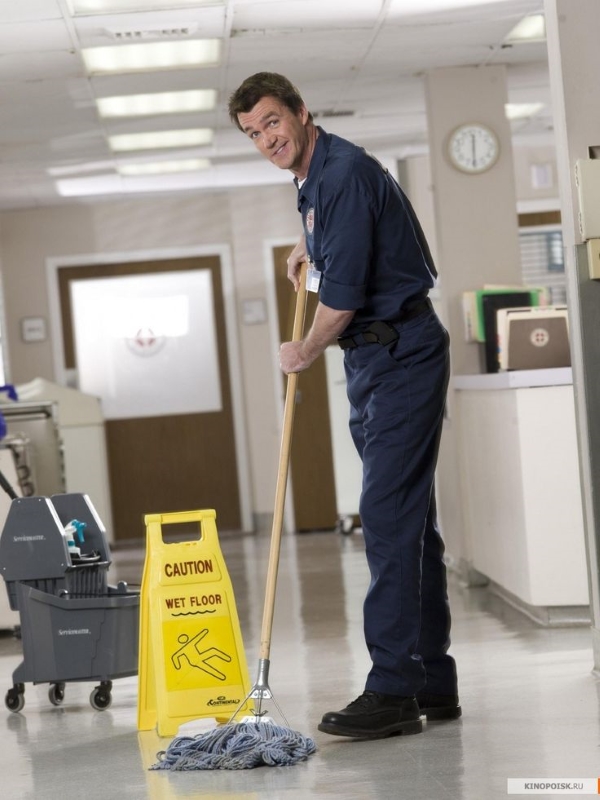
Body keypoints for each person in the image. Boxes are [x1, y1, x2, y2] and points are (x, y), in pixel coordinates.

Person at [228, 72, 460, 740]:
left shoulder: (343, 175)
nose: (267, 140)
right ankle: (432, 682)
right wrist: (313, 243)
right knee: (411, 524)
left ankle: (392, 690)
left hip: (400, 355)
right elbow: (348, 242)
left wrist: (302, 349)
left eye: (273, 122)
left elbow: (347, 299)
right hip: (377, 361)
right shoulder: (316, 178)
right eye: (252, 134)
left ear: (301, 112)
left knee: (387, 520)